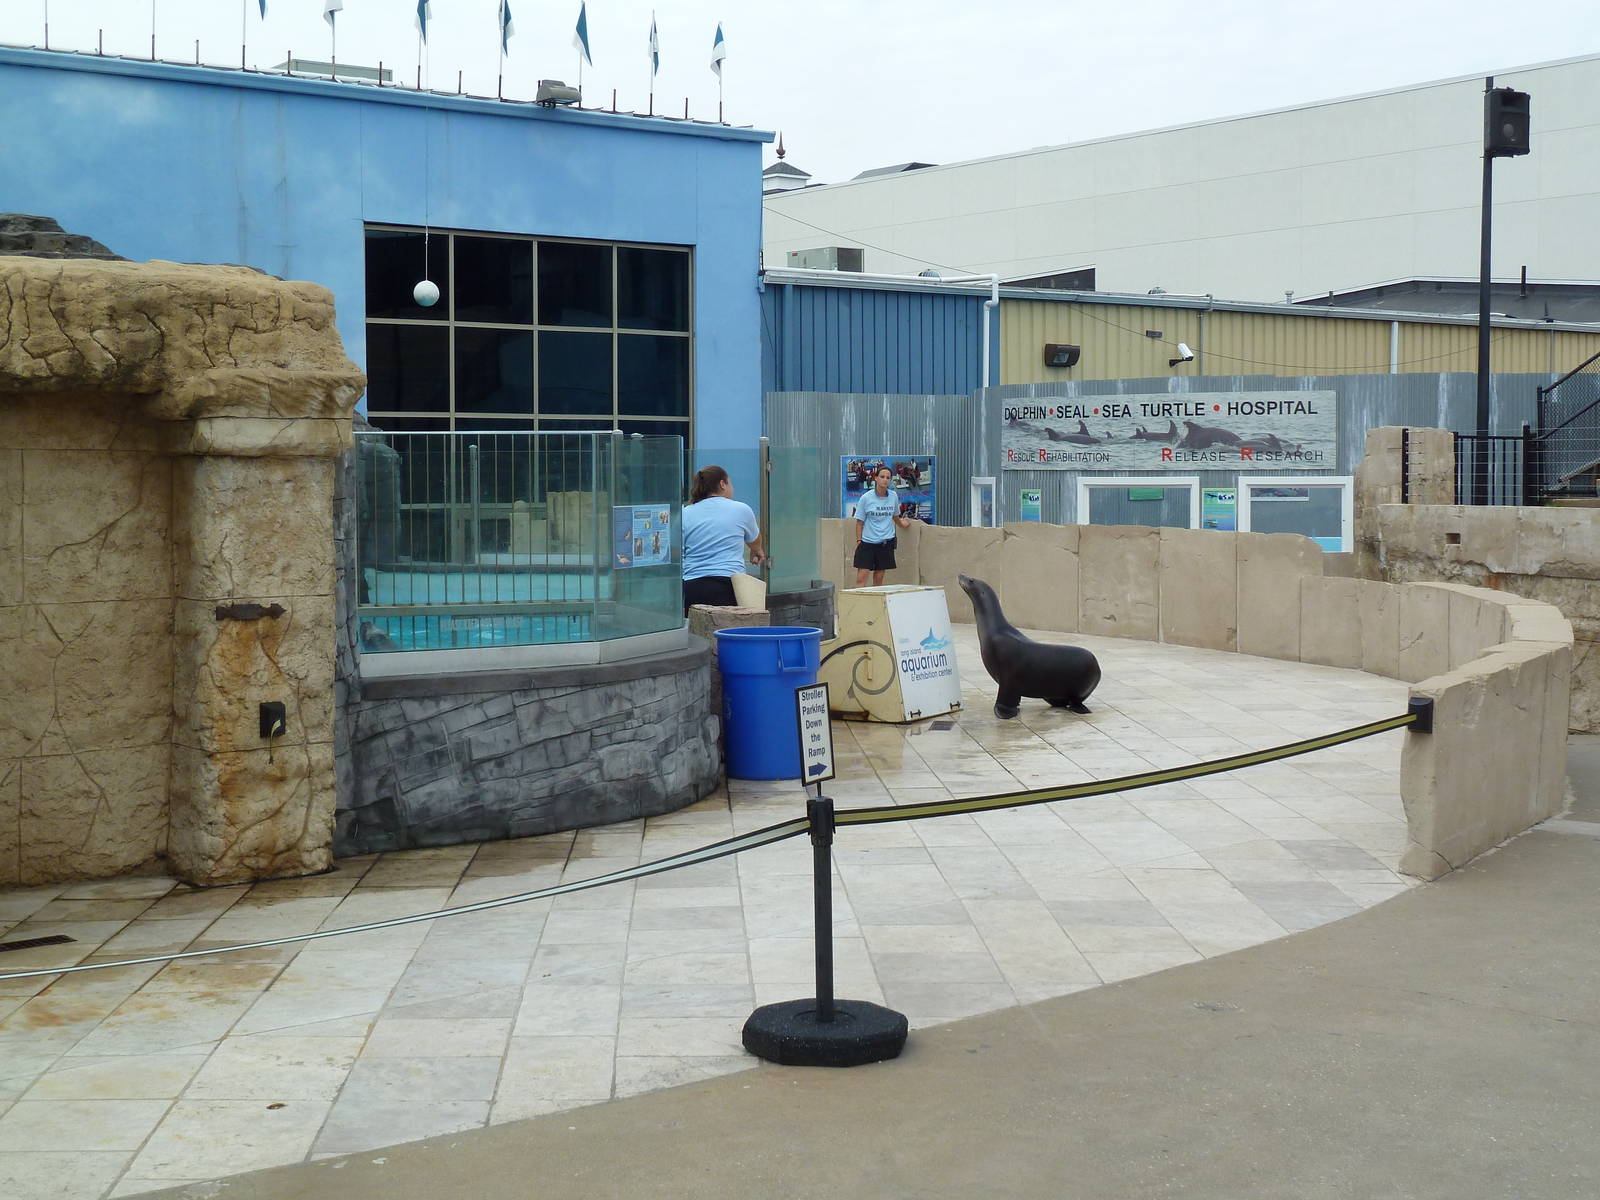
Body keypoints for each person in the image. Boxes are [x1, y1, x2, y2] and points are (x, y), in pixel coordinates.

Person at [681, 464, 766, 614]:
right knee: (729, 633)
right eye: (730, 483)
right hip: (728, 585)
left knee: (697, 635)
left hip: (692, 585)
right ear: (722, 483)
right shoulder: (741, 509)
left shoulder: (686, 512)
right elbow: (754, 539)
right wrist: (756, 550)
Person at [854, 464, 913, 587]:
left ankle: (877, 605)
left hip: (885, 542)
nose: (885, 480)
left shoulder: (893, 496)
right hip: (868, 542)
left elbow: (895, 516)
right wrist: (859, 541)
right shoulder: (866, 498)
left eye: (888, 477)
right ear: (876, 478)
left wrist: (903, 524)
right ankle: (859, 605)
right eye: (882, 477)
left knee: (879, 578)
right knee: (861, 578)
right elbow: (859, 522)